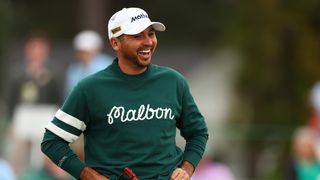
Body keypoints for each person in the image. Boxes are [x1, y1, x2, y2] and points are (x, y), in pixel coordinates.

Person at [41, 7, 208, 180]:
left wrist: (187, 168)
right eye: (137, 36)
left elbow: (198, 132)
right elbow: (52, 141)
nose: (148, 42)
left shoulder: (173, 82)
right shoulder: (90, 88)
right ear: (115, 43)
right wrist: (87, 175)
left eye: (150, 34)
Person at [4, 32, 62, 176]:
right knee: (18, 151)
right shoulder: (18, 70)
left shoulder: (54, 70)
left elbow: (58, 96)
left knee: (41, 153)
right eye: (33, 47)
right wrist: (11, 120)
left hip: (45, 114)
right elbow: (11, 96)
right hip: (23, 114)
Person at [64, 30, 113, 97]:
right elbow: (69, 92)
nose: (82, 55)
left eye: (85, 52)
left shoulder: (107, 64)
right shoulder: (74, 68)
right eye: (80, 52)